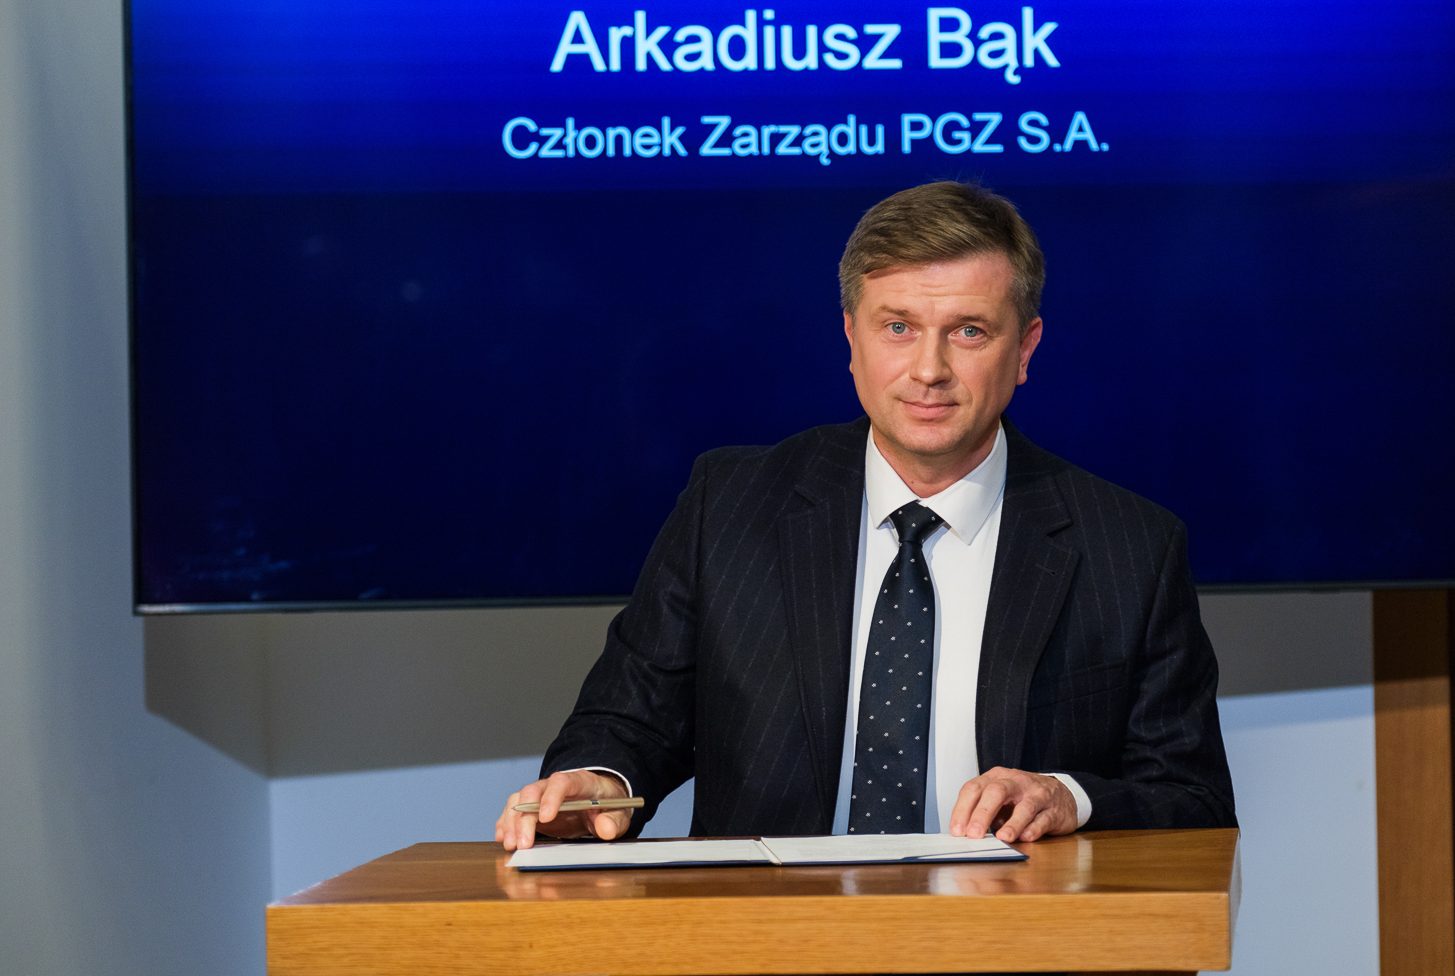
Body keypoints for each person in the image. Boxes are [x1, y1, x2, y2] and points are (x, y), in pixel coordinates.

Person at [496, 181, 1235, 851]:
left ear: (1025, 349)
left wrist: (1068, 796)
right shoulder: (731, 504)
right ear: (852, 339)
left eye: (969, 331)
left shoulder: (1130, 546)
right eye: (899, 327)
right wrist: (598, 782)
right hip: (768, 934)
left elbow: (1192, 798)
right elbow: (628, 722)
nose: (929, 370)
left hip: (1009, 933)